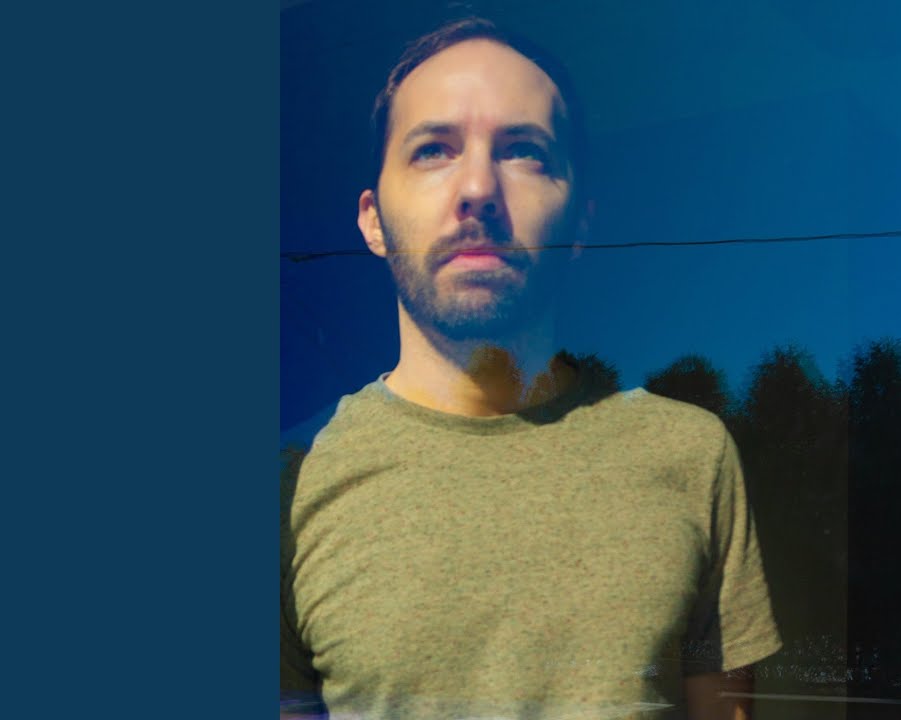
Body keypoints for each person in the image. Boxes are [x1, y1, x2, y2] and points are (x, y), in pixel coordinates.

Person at [281, 16, 781, 720]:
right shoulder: (292, 484)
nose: (478, 187)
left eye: (523, 151)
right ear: (372, 219)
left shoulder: (693, 459)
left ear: (580, 222)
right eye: (433, 149)